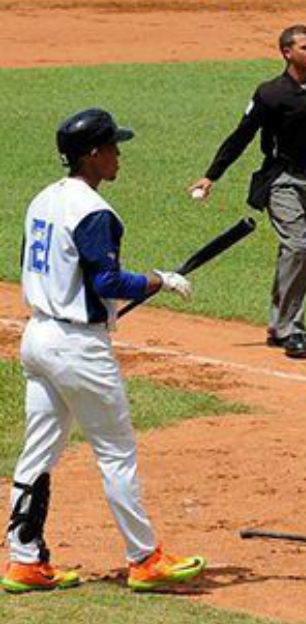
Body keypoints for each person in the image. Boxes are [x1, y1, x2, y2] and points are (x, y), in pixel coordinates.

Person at [4, 108, 204, 594]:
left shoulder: (43, 199)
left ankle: (24, 561)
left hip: (38, 336)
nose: (119, 156)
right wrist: (157, 281)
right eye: (113, 147)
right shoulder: (93, 211)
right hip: (77, 347)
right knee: (116, 452)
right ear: (92, 155)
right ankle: (143, 557)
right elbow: (108, 281)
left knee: (38, 454)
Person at [189, 24, 306, 359]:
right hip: (280, 179)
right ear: (286, 52)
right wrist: (212, 176)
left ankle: (279, 323)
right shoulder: (270, 94)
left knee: (300, 254)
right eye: (305, 48)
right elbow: (242, 135)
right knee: (299, 246)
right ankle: (291, 328)